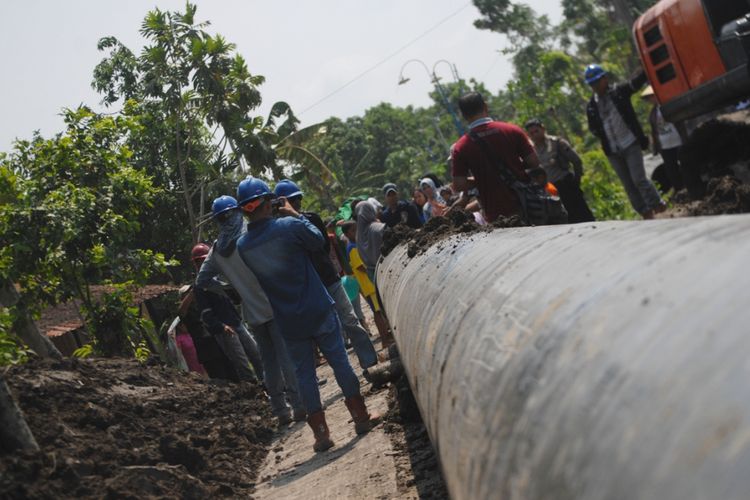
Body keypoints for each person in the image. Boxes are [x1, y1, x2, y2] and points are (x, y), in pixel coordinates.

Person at [236, 177, 380, 452]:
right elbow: (317, 243)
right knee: (340, 362)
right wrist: (294, 213)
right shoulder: (289, 226)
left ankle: (322, 435)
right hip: (317, 307)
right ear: (268, 202)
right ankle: (360, 417)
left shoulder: (244, 246)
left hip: (288, 319)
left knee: (305, 375)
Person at [195, 195, 306, 425]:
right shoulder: (250, 237)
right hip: (272, 305)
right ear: (236, 212)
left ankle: (280, 410)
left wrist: (228, 288)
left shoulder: (216, 250)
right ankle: (298, 406)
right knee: (285, 359)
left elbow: (202, 281)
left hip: (251, 314)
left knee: (269, 364)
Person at [273, 180, 378, 373]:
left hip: (328, 279)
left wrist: (295, 217)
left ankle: (370, 363)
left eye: (298, 199)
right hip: (308, 287)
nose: (297, 203)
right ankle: (346, 376)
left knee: (350, 320)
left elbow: (319, 245)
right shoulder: (277, 229)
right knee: (329, 331)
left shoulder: (311, 219)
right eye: (292, 200)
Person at [584, 64, 665, 219]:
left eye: (597, 81)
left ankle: (658, 205)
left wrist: (644, 64)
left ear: (605, 79)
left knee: (638, 179)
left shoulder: (619, 92)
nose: (595, 86)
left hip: (630, 143)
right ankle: (646, 213)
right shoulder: (591, 107)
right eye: (592, 84)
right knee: (628, 185)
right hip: (613, 151)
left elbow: (635, 83)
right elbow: (593, 129)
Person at [451, 92, 540, 223]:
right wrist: (514, 167)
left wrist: (483, 178)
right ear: (485, 106)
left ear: (463, 115)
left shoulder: (461, 147)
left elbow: (459, 184)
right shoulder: (512, 130)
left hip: (497, 216)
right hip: (527, 205)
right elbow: (534, 162)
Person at [190, 243, 261, 384]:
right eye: (199, 261)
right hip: (224, 330)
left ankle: (271, 384)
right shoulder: (200, 286)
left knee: (256, 355)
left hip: (237, 323)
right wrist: (221, 327)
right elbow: (206, 315)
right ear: (196, 263)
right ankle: (257, 391)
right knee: (242, 364)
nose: (202, 263)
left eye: (204, 260)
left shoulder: (220, 279)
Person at [524, 118, 595, 223]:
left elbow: (576, 161)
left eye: (536, 131)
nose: (535, 135)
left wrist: (576, 181)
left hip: (566, 185)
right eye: (531, 133)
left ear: (543, 129)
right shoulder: (532, 152)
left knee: (583, 217)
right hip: (550, 192)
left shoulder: (557, 143)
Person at [341, 220, 394, 346]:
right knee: (377, 312)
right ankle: (385, 340)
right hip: (368, 285)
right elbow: (361, 266)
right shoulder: (352, 247)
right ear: (347, 234)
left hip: (369, 284)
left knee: (380, 310)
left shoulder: (356, 245)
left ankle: (388, 336)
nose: (357, 232)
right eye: (354, 230)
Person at [642, 85, 685, 193]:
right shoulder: (653, 113)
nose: (651, 99)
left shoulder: (670, 105)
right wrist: (656, 147)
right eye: (649, 98)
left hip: (677, 140)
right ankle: (679, 190)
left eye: (652, 96)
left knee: (685, 163)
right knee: (671, 169)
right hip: (665, 145)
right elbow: (654, 131)